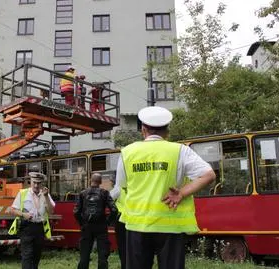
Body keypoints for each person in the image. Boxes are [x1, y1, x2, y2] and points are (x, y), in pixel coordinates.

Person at [114, 106, 216, 269]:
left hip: (137, 226)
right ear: (167, 132)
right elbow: (209, 175)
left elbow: (122, 187)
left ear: (143, 130)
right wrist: (181, 192)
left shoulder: (127, 152)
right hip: (171, 226)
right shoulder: (180, 151)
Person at [9, 172, 56, 269]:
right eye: (34, 182)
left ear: (42, 183)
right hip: (26, 227)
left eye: (39, 183)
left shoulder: (46, 194)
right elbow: (12, 210)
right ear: (30, 181)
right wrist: (23, 214)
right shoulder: (23, 193)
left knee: (36, 256)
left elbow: (51, 211)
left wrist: (46, 196)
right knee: (27, 255)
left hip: (39, 228)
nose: (36, 185)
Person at [74, 173, 118, 269]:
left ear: (90, 180)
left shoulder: (82, 193)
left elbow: (76, 212)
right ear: (101, 182)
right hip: (101, 227)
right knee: (102, 256)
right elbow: (114, 210)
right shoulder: (105, 193)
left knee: (84, 256)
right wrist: (107, 222)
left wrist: (82, 223)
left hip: (86, 227)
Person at [110, 183, 126, 269]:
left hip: (121, 219)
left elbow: (110, 197)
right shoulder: (139, 185)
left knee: (122, 246)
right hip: (136, 220)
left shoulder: (119, 187)